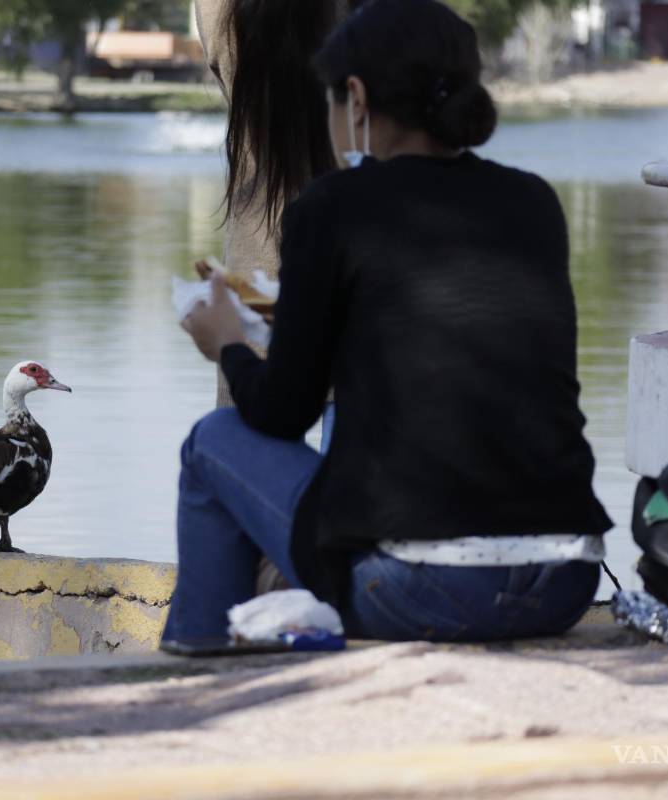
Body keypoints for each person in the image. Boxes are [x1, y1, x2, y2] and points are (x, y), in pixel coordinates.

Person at [168, 0, 612, 644]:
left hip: (423, 590)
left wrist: (229, 344)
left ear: (355, 96)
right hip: (566, 581)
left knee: (213, 441)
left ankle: (200, 661)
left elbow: (280, 415)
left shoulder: (334, 206)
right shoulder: (534, 201)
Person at [193, 0, 354, 407]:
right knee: (360, 431)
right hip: (354, 257)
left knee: (232, 442)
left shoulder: (220, 11)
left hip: (257, 253)